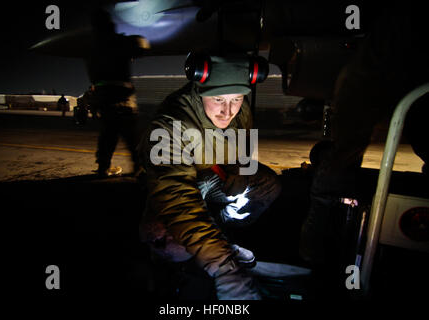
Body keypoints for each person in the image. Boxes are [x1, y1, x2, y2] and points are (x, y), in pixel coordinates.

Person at [299, 3, 429, 286]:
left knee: (344, 152)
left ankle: (318, 238)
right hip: (389, 54)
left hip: (388, 60)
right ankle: (318, 236)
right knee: (343, 153)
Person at [138, 55, 281, 300]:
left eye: (236, 99)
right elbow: (177, 200)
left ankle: (220, 235)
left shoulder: (241, 109)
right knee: (173, 243)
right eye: (219, 100)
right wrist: (224, 267)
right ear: (199, 88)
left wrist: (241, 173)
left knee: (266, 186)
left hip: (214, 178)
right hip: (182, 187)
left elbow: (245, 144)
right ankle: (206, 254)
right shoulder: (168, 126)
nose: (228, 111)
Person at [85, 8, 148, 177]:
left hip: (104, 97)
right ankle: (138, 167)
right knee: (131, 135)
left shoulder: (92, 48)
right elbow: (142, 45)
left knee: (107, 134)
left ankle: (103, 167)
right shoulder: (118, 41)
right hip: (123, 96)